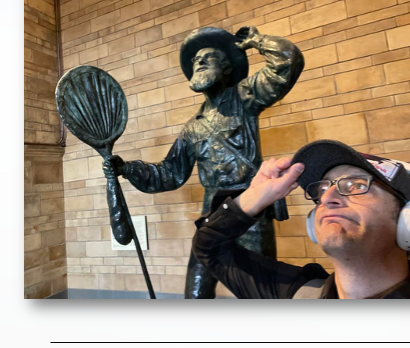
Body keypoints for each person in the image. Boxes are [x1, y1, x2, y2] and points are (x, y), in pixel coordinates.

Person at [102, 26, 304, 298]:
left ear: (227, 69)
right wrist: (127, 168)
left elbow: (287, 62)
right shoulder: (192, 128)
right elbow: (169, 174)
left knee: (261, 295)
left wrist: (257, 41)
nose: (199, 62)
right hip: (213, 216)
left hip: (251, 212)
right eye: (196, 61)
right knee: (195, 295)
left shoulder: (245, 97)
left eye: (207, 58)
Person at [193, 140, 410, 299]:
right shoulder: (292, 295)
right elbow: (209, 250)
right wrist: (252, 198)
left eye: (356, 185)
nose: (328, 198)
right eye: (321, 189)